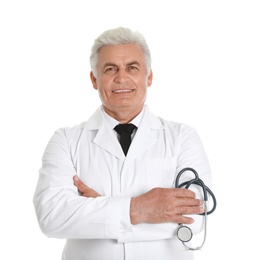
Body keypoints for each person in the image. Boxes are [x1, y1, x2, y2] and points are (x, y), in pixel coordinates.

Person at [33, 27, 212, 260]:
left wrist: (99, 210)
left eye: (132, 67)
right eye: (110, 69)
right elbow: (52, 217)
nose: (121, 77)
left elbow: (195, 219)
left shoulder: (183, 137)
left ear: (149, 76)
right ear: (94, 79)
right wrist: (141, 208)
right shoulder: (65, 140)